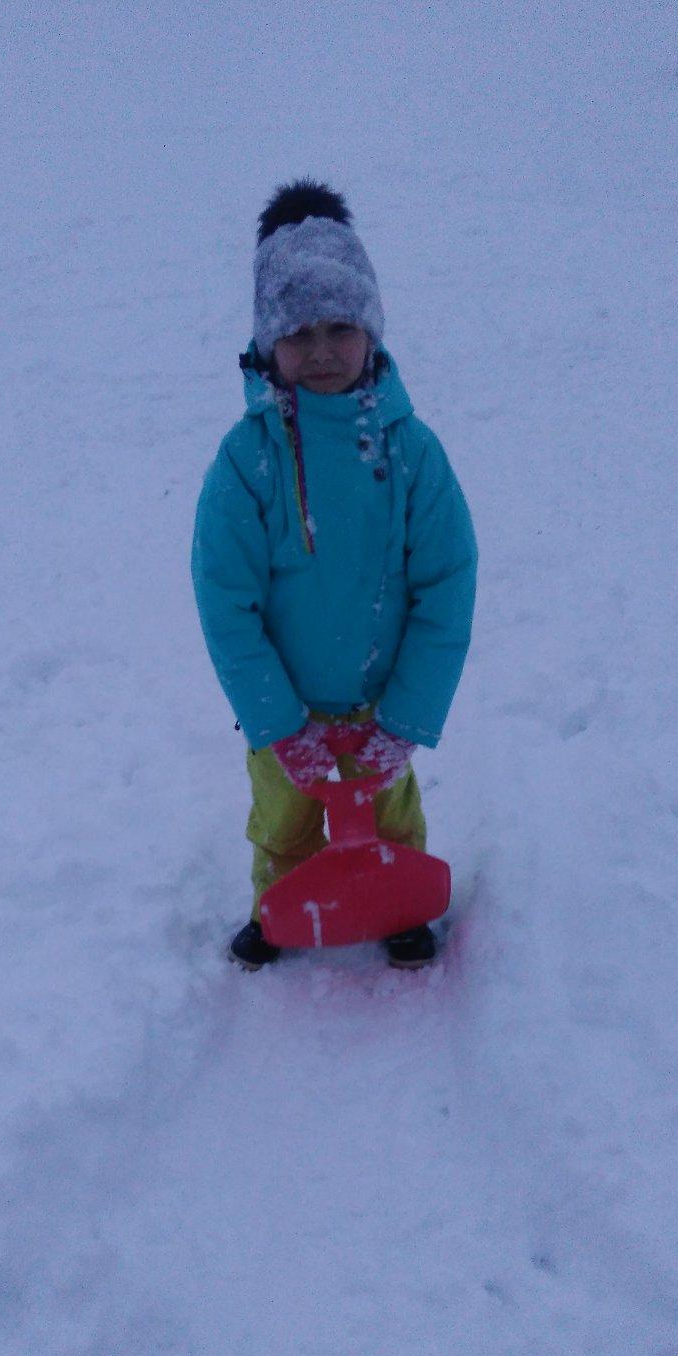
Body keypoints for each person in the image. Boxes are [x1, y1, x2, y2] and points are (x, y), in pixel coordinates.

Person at [192, 180, 477, 971]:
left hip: (380, 705)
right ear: (267, 342)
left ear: (371, 329)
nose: (321, 351)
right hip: (286, 712)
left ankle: (400, 905)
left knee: (391, 818)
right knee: (282, 825)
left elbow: (447, 587)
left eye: (340, 327)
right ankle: (278, 908)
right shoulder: (245, 463)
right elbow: (226, 602)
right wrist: (279, 724)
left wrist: (406, 717)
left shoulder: (412, 452)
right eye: (299, 332)